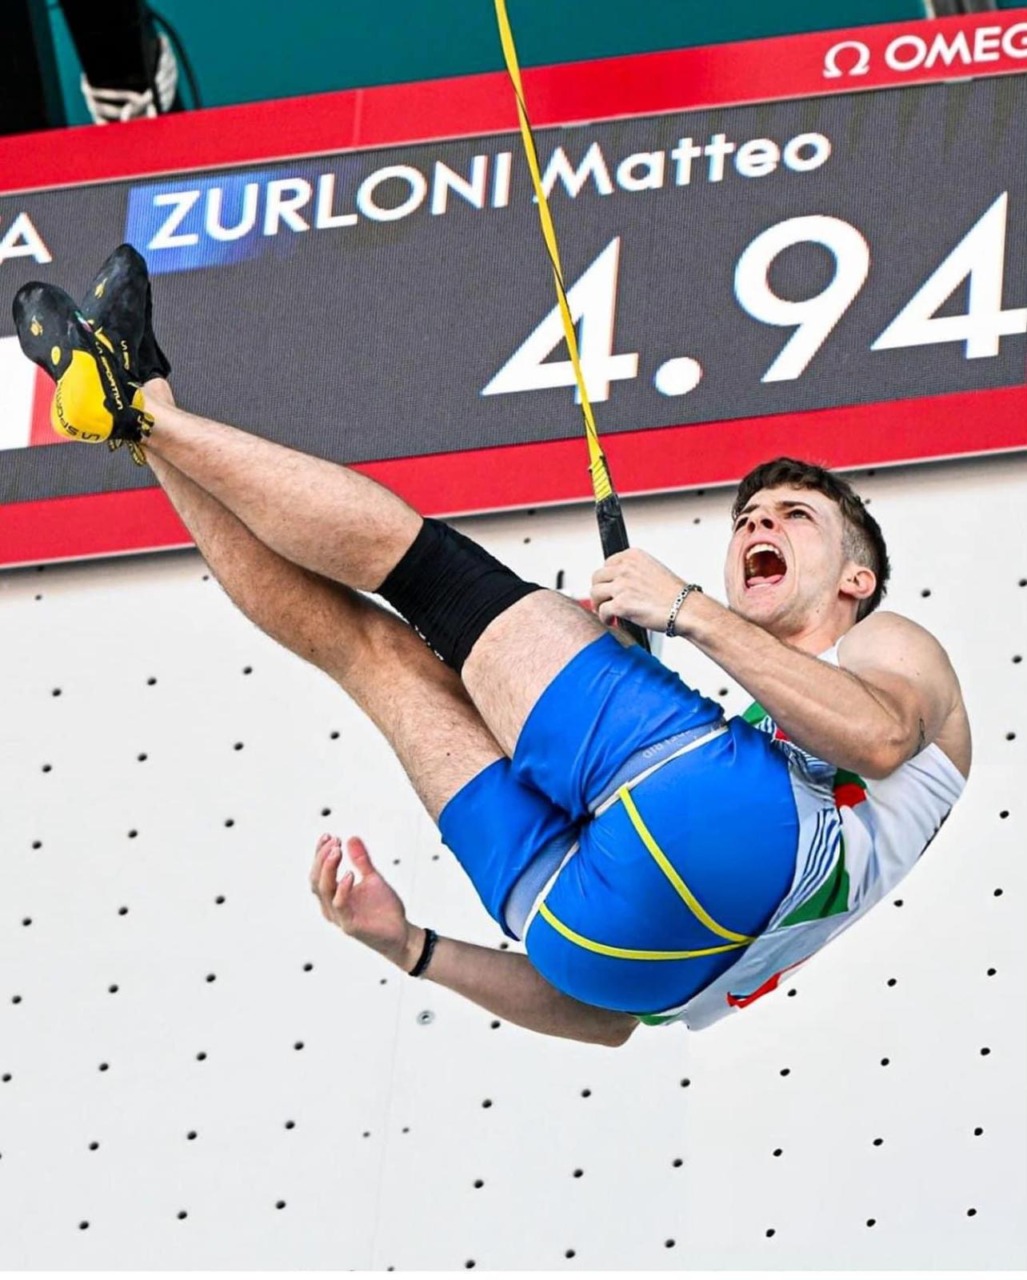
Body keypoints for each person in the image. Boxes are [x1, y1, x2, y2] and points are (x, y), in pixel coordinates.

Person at [12, 246, 971, 1045]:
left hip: (737, 835)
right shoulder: (742, 711)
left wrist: (686, 609)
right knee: (365, 653)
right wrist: (416, 951)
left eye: (797, 515)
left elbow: (881, 741)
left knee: (427, 577)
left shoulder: (885, 640)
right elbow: (606, 1025)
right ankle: (134, 399)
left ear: (855, 578)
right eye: (746, 515)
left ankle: (141, 411)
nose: (760, 523)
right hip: (589, 943)